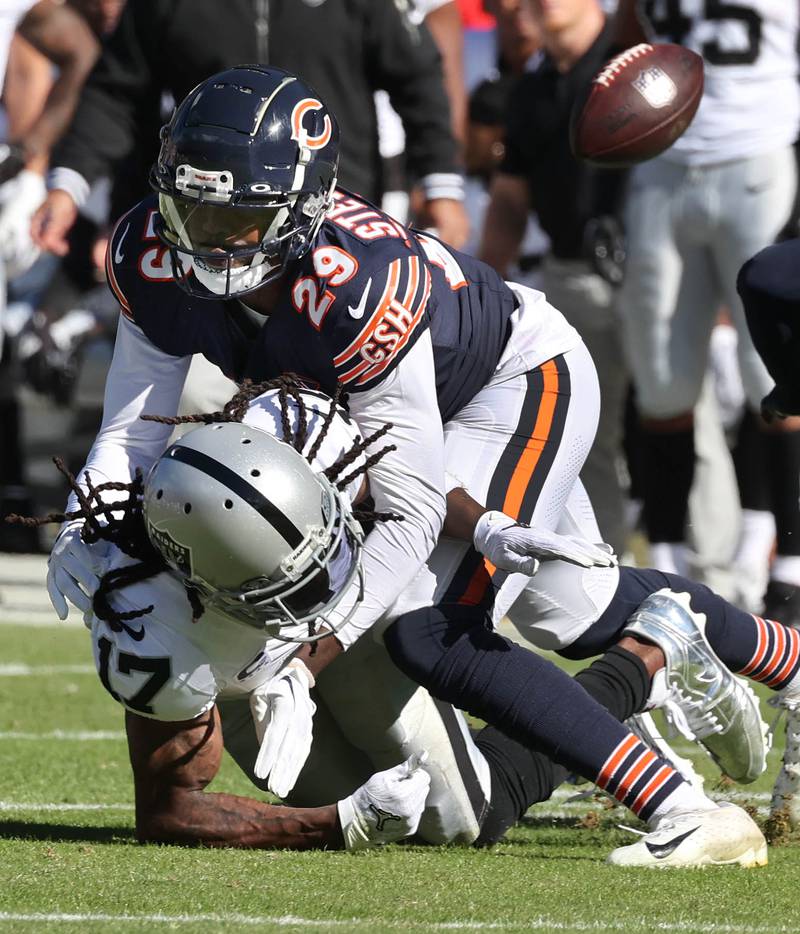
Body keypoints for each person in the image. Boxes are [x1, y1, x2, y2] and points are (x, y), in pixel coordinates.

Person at [44, 64, 768, 866]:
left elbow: (413, 510)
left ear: (302, 211)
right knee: (575, 609)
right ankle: (766, 651)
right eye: (193, 209)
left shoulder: (359, 285)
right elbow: (133, 431)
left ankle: (684, 809)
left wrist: (310, 650)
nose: (208, 239)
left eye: (237, 220)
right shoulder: (151, 250)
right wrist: (90, 526)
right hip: (386, 425)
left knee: (429, 629)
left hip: (511, 381)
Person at [612, 0, 800, 622]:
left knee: (775, 370)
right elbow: (625, 49)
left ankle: (788, 564)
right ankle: (668, 560)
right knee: (662, 379)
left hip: (763, 153)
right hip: (662, 164)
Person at [31, 0, 468, 256]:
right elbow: (116, 94)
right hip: (204, 219)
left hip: (331, 215)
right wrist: (69, 185)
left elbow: (419, 81)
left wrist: (441, 187)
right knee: (202, 389)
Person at [478, 0, 630, 555]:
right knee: (588, 438)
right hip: (570, 268)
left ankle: (721, 572)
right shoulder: (532, 88)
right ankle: (612, 569)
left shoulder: (633, 56)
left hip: (652, 266)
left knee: (685, 418)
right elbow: (510, 201)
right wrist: (479, 284)